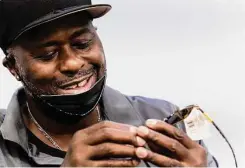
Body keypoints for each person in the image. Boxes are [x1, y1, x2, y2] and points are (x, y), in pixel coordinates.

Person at [0, 0, 218, 167]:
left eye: (82, 44)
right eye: (47, 54)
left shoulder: (168, 120)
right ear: (13, 66)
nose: (73, 63)